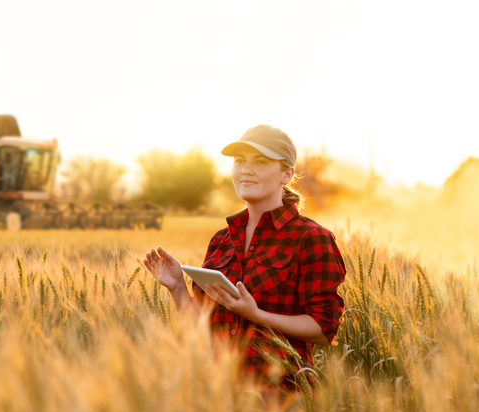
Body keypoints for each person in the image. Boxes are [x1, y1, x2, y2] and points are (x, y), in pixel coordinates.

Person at [143, 124, 346, 393]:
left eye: (260, 162)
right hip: (217, 397)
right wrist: (178, 287)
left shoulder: (310, 238)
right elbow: (202, 328)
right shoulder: (221, 241)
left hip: (278, 399)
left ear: (287, 173)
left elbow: (323, 329)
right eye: (240, 161)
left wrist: (256, 315)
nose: (246, 170)